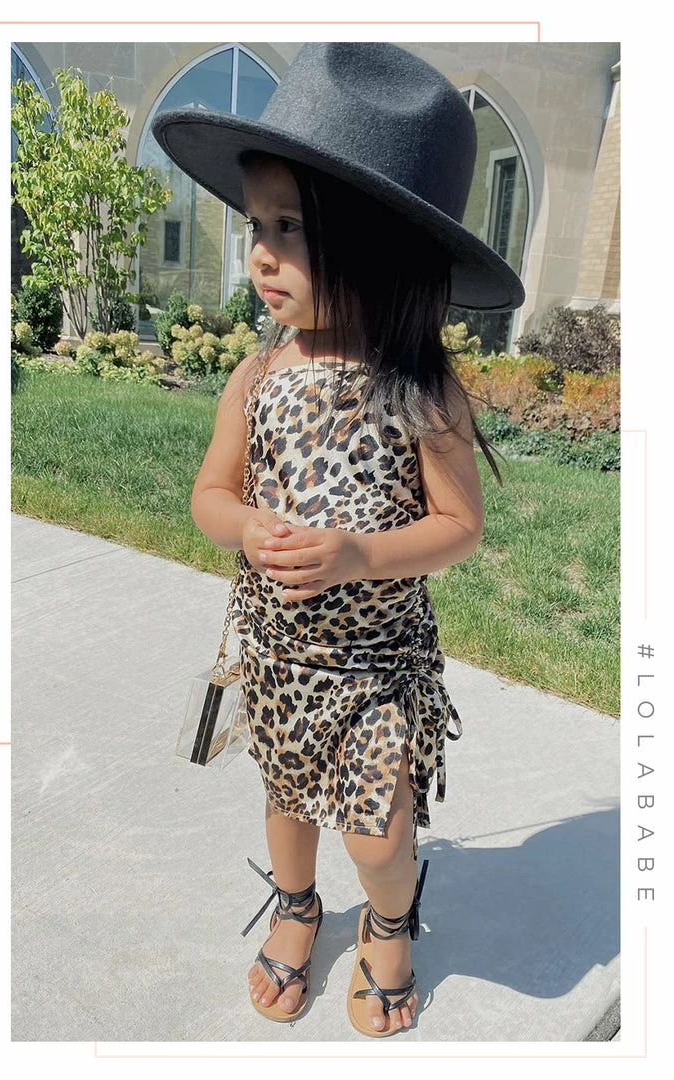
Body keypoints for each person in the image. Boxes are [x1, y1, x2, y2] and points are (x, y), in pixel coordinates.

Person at [153, 42, 524, 1038]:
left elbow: (458, 527)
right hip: (278, 656)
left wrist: (360, 554)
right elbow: (209, 493)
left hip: (374, 668)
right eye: (256, 226)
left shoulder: (421, 388)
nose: (261, 254)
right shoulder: (257, 375)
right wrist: (244, 525)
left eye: (292, 228)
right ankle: (295, 906)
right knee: (286, 804)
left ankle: (389, 922)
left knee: (379, 834)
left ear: (383, 246)